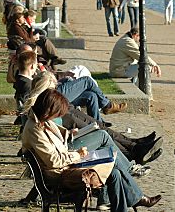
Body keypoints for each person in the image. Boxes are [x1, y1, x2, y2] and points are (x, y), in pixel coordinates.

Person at [21, 89, 162, 212]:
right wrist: (78, 155)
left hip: (66, 165)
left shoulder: (41, 121)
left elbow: (54, 137)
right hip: (61, 173)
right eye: (57, 114)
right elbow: (54, 161)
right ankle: (134, 185)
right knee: (103, 139)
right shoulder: (35, 129)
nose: (58, 117)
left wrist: (70, 134)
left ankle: (132, 200)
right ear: (49, 111)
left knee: (116, 172)